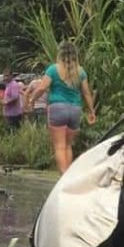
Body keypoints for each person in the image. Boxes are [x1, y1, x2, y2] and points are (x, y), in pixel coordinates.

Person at [26, 41, 96, 173]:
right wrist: (92, 110)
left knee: (59, 146)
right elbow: (86, 92)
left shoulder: (53, 69)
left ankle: (63, 177)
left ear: (60, 54)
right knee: (68, 145)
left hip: (57, 108)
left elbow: (42, 88)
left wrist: (32, 100)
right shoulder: (80, 71)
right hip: (75, 109)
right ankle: (68, 176)